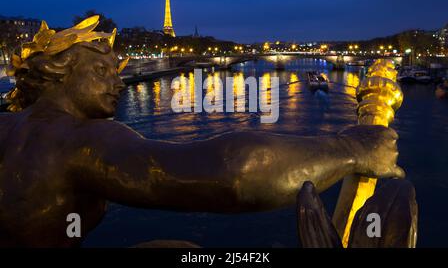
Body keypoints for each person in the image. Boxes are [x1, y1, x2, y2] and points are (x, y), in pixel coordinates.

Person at [0, 17, 403, 247]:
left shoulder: (9, 126)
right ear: (58, 74)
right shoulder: (80, 139)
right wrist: (350, 148)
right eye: (102, 71)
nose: (118, 83)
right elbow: (233, 174)